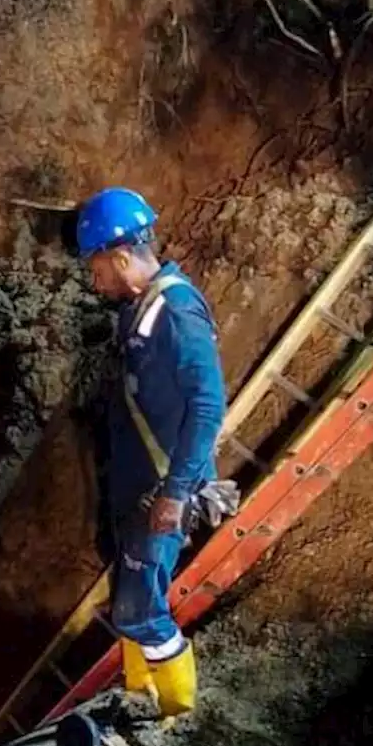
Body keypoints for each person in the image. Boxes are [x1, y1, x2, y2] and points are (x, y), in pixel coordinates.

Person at [78, 187, 232, 718]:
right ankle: (139, 696)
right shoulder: (140, 308)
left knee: (142, 609)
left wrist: (176, 493)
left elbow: (208, 406)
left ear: (122, 258)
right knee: (129, 604)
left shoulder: (176, 312)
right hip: (137, 486)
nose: (93, 280)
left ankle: (177, 711)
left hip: (160, 490)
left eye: (96, 267)